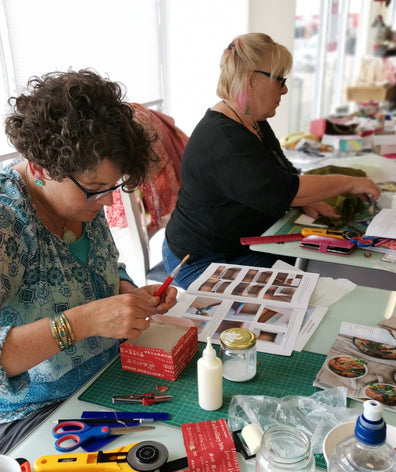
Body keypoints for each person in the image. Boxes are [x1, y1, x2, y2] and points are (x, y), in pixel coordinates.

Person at [0, 69, 177, 455]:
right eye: (97, 190)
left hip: (99, 379)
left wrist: (128, 294)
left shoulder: (81, 201)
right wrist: (87, 320)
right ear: (41, 168)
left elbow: (102, 267)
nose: (110, 203)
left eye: (112, 188)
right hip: (23, 412)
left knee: (181, 438)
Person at [162, 33, 381, 289]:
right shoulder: (225, 141)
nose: (285, 89)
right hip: (203, 259)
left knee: (321, 273)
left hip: (243, 242)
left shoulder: (251, 120)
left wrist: (307, 198)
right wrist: (350, 183)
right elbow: (284, 190)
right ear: (251, 80)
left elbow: (282, 172)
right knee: (305, 295)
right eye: (280, 80)